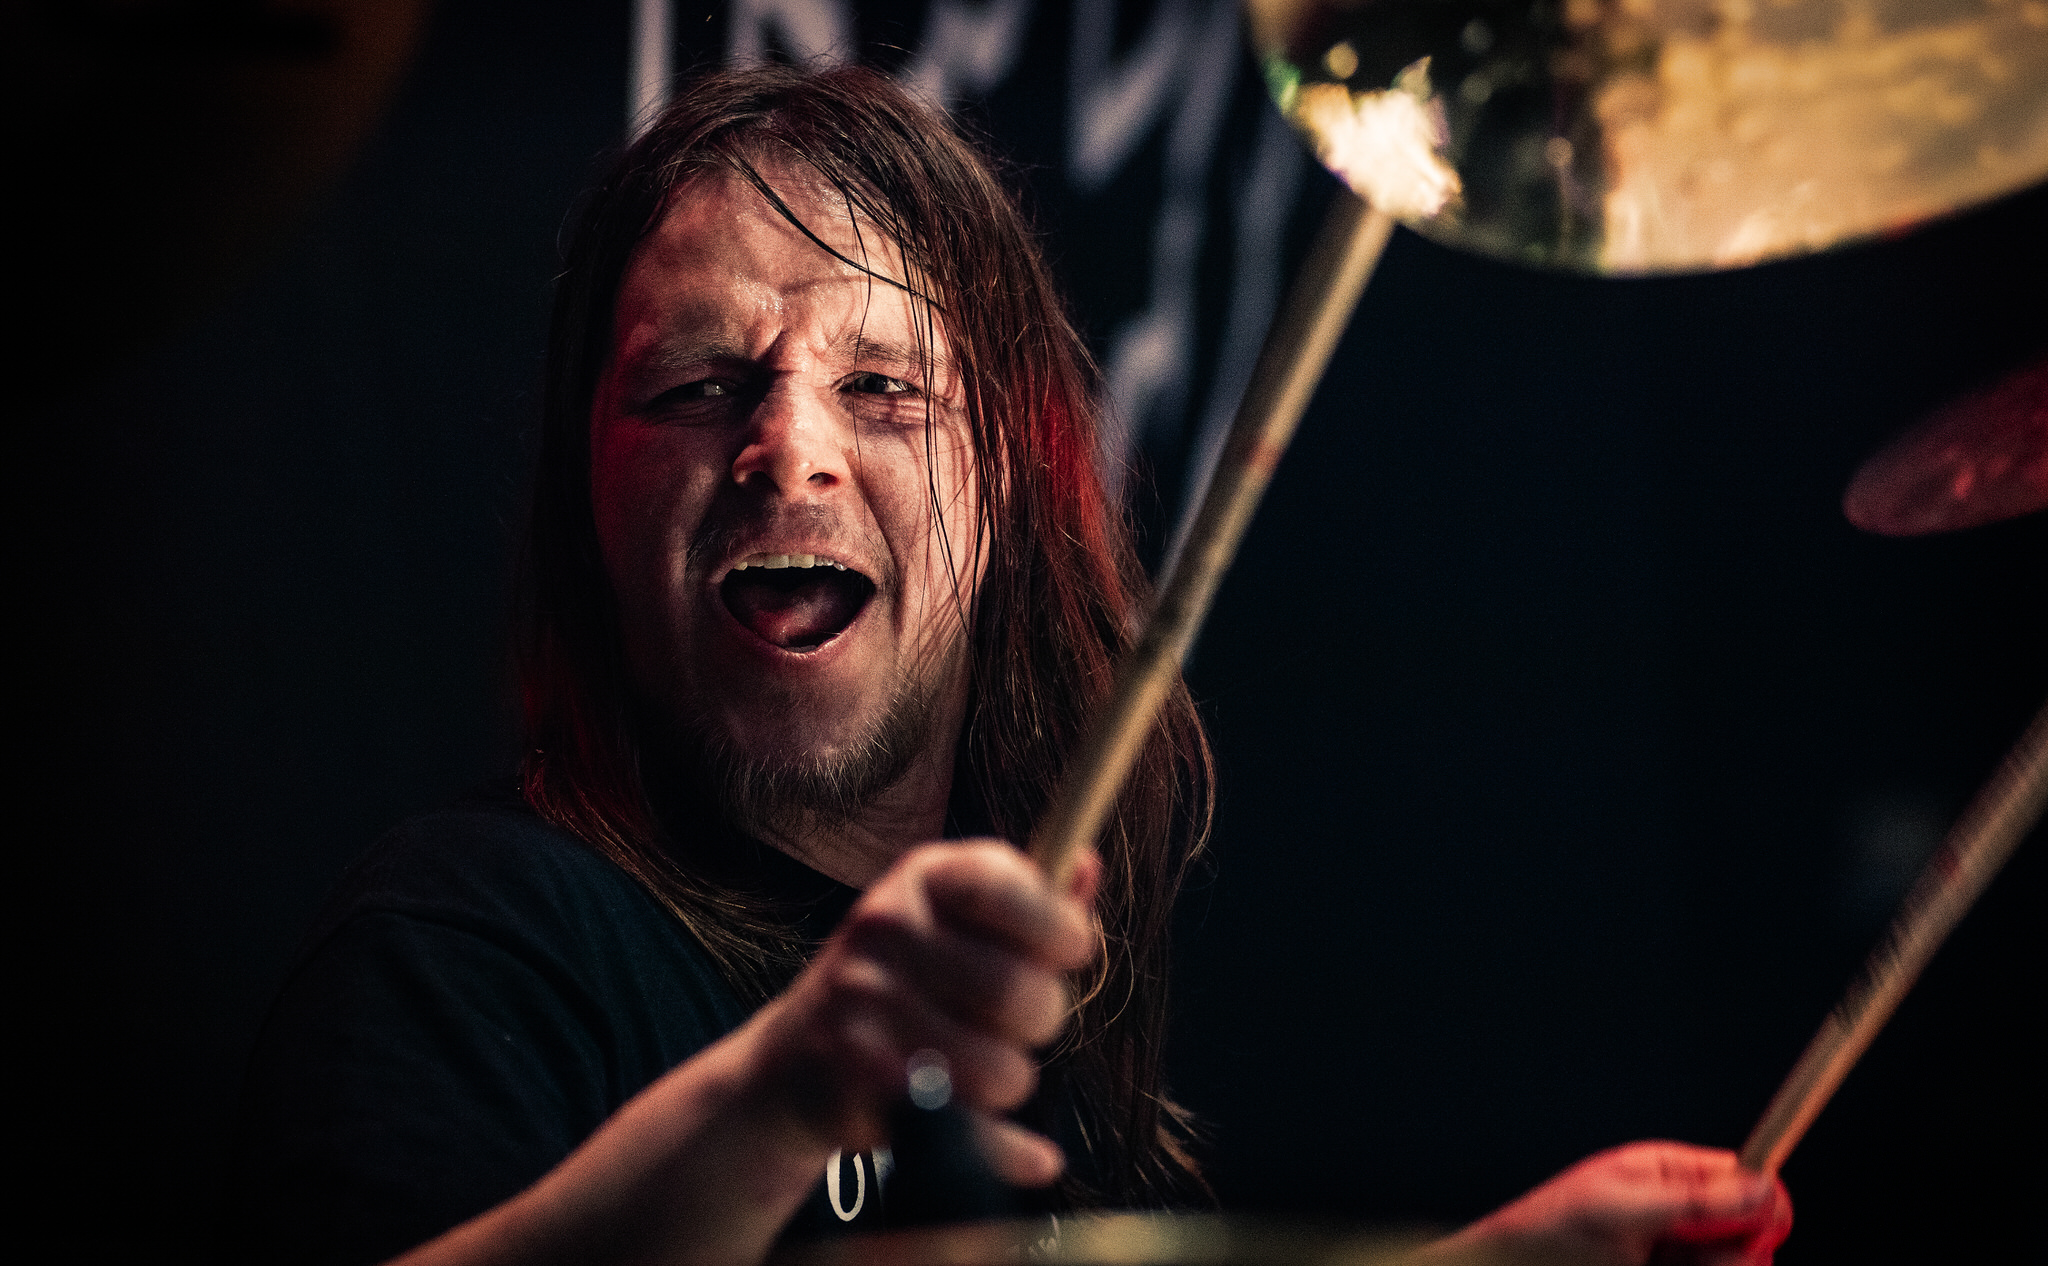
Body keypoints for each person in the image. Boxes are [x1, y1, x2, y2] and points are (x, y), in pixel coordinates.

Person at [228, 64, 1793, 1266]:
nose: (788, 447)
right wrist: (785, 1096)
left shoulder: (1050, 979)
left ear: (1009, 491)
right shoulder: (471, 941)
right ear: (593, 499)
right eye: (699, 385)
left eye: (884, 386)